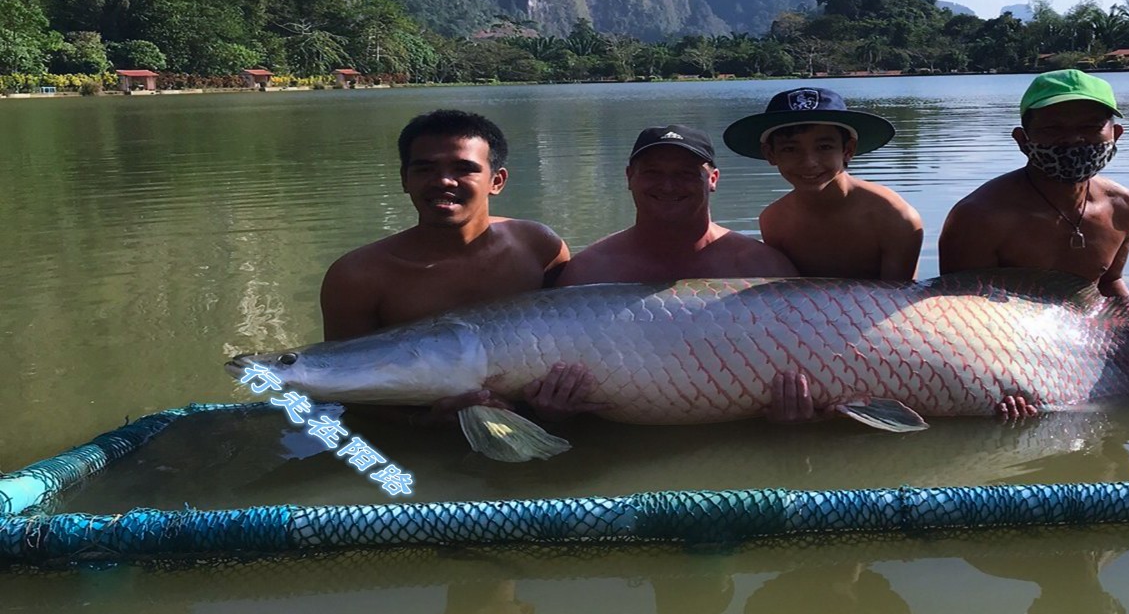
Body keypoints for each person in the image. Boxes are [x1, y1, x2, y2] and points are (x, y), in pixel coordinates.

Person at [940, 71, 1129, 416]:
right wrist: (991, 379)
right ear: (1022, 140)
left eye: (1091, 127)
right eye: (1052, 129)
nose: (1073, 140)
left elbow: (1107, 282)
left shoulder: (1126, 207)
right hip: (1008, 349)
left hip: (1089, 340)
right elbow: (955, 314)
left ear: (1115, 134)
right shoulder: (980, 216)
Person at [318, 109, 574, 423]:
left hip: (540, 420)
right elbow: (344, 385)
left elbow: (580, 336)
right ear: (404, 179)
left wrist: (560, 402)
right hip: (421, 439)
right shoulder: (358, 276)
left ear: (497, 180)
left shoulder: (539, 247)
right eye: (425, 169)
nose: (443, 181)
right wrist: (425, 423)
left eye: (464, 168)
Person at [556, 124, 798, 285]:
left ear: (712, 179)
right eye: (653, 172)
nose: (668, 186)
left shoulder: (761, 267)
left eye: (685, 174)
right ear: (629, 177)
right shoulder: (590, 271)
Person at [722, 86, 923, 281]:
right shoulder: (775, 221)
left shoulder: (894, 216)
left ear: (848, 150)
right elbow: (788, 293)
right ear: (770, 154)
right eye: (790, 149)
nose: (809, 162)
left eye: (824, 147)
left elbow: (901, 298)